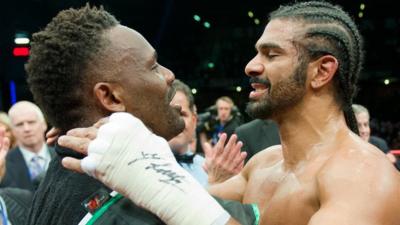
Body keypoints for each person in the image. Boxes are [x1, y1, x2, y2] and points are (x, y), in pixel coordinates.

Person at [59, 1, 400, 225]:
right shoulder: (262, 165)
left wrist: (159, 181)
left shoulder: (364, 178)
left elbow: (182, 204)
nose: (252, 66)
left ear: (322, 72)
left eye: (272, 54)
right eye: (257, 53)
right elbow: (163, 209)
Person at [25, 5, 249, 225]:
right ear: (110, 97)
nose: (169, 75)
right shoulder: (124, 206)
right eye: (153, 67)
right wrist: (178, 195)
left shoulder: (63, 177)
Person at [0, 101, 53, 191]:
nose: (26, 129)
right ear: (12, 130)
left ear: (44, 124)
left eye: (31, 122)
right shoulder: (3, 164)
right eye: (19, 124)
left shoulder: (63, 156)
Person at [352, 103, 399, 169]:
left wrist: (393, 162)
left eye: (366, 124)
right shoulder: (342, 150)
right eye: (358, 126)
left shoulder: (380, 144)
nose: (363, 130)